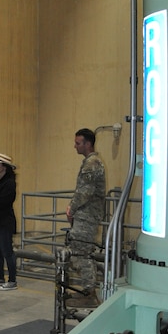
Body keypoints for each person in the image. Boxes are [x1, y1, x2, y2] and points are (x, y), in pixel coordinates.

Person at [66, 128, 106, 305]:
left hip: (86, 216)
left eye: (78, 143)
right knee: (82, 252)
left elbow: (85, 192)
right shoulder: (91, 162)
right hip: (87, 215)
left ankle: (89, 294)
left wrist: (71, 208)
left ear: (88, 144)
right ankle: (88, 291)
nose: (75, 146)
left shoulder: (92, 164)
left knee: (81, 254)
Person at [0, 153, 18, 291]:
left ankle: (12, 280)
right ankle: (0, 276)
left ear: (4, 167)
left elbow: (3, 202)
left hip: (4, 221)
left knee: (7, 250)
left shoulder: (9, 183)